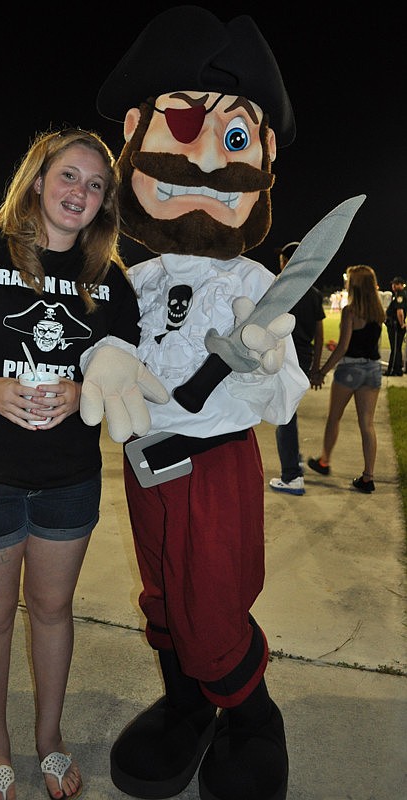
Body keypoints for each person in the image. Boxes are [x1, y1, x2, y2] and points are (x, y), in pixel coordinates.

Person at [85, 9, 316, 800]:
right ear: (133, 136)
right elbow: (98, 338)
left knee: (211, 599)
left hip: (215, 464)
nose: (203, 159)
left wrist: (257, 363)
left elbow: (284, 397)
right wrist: (101, 350)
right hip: (144, 461)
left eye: (233, 138)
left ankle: (251, 716)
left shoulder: (255, 284)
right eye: (179, 126)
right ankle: (185, 707)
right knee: (161, 591)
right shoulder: (128, 277)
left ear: (265, 157)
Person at [0, 127, 157, 800]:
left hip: (66, 479)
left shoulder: (109, 282)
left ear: (104, 204)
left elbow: (131, 372)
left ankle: (49, 738)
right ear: (38, 180)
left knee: (52, 610)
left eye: (95, 185)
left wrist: (84, 392)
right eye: (68, 176)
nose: (81, 192)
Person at [307, 264, 385, 493]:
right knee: (367, 424)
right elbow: (369, 343)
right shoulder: (378, 311)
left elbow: (343, 348)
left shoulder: (350, 310)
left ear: (356, 284)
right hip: (372, 369)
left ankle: (324, 461)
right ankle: (368, 477)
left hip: (350, 368)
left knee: (334, 417)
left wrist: (321, 372)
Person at [269, 242, 325, 495]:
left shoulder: (282, 288)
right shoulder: (312, 291)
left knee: (285, 416)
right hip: (304, 358)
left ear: (288, 261)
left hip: (286, 359)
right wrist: (316, 367)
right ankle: (296, 461)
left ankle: (292, 475)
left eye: (282, 260)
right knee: (290, 412)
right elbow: (320, 333)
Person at [384, 276, 406, 376]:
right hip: (395, 325)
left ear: (401, 285)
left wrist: (401, 324)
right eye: (393, 284)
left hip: (396, 326)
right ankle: (398, 369)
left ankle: (392, 369)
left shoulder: (400, 295)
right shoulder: (398, 294)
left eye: (396, 284)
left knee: (395, 348)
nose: (393, 286)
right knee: (397, 348)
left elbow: (400, 311)